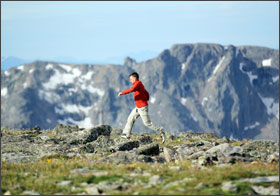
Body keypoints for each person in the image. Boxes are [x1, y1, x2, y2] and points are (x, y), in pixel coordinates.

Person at [118, 72, 166, 143]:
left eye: (131, 79)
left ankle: (161, 131)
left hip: (142, 108)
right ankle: (126, 135)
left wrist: (122, 92)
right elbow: (146, 93)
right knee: (130, 118)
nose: (130, 81)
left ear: (134, 78)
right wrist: (145, 99)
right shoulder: (139, 84)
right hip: (138, 107)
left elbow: (132, 89)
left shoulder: (138, 84)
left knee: (147, 123)